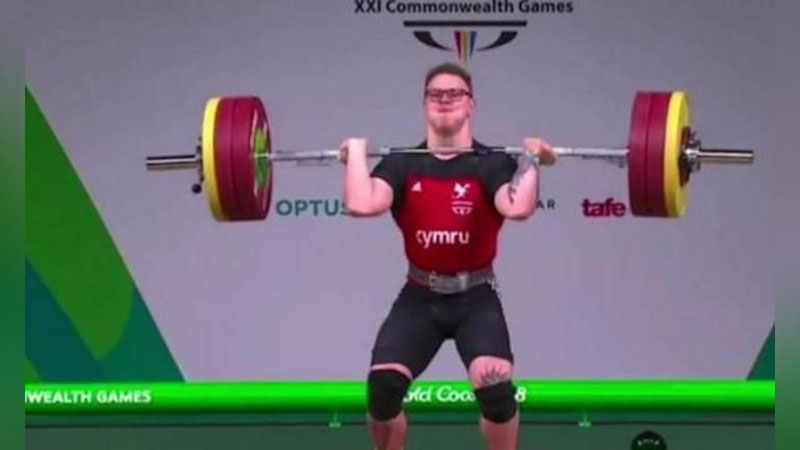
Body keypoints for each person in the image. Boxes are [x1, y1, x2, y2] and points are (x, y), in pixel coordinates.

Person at [340, 62, 556, 450]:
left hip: (476, 298)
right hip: (419, 296)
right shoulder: (402, 163)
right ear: (424, 104)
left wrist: (532, 159)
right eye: (435, 94)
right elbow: (361, 203)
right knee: (382, 391)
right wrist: (356, 153)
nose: (444, 100)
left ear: (471, 104)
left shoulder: (491, 163)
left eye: (454, 93)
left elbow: (518, 208)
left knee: (496, 392)